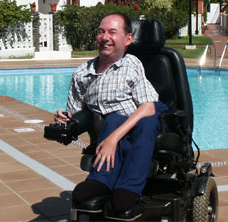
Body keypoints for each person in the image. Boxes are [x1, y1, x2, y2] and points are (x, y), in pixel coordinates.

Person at [54, 13, 168, 216]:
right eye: (101, 32)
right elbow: (76, 112)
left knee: (145, 123)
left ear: (128, 40)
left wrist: (113, 139)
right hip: (112, 123)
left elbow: (148, 107)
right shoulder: (81, 74)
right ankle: (100, 181)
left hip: (143, 113)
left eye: (112, 32)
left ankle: (129, 189)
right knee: (114, 118)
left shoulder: (131, 64)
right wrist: (64, 118)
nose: (105, 37)